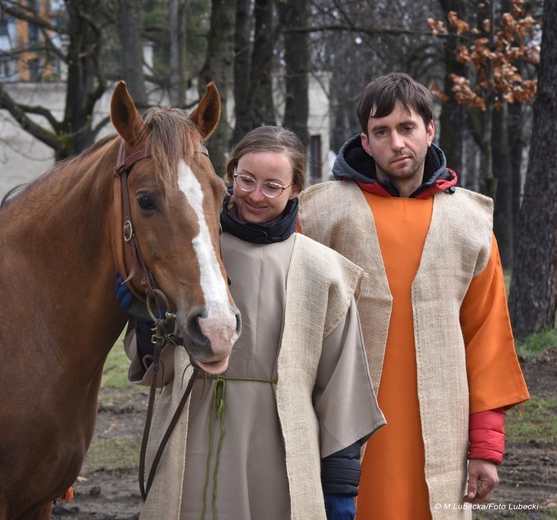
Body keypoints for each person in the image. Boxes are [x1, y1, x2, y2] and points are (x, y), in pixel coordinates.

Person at [117, 126, 385, 520]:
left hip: (283, 449)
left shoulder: (322, 270)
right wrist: (144, 318)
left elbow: (341, 390)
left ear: (295, 189)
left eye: (272, 186)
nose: (255, 195)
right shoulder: (194, 254)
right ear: (230, 174)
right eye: (246, 180)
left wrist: (340, 488)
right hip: (192, 437)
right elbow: (156, 370)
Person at [298, 72, 530, 519]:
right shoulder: (320, 214)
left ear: (429, 131)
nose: (396, 143)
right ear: (365, 142)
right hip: (341, 430)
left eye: (407, 128)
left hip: (441, 434)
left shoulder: (469, 224)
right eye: (380, 132)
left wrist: (485, 447)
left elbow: (488, 340)